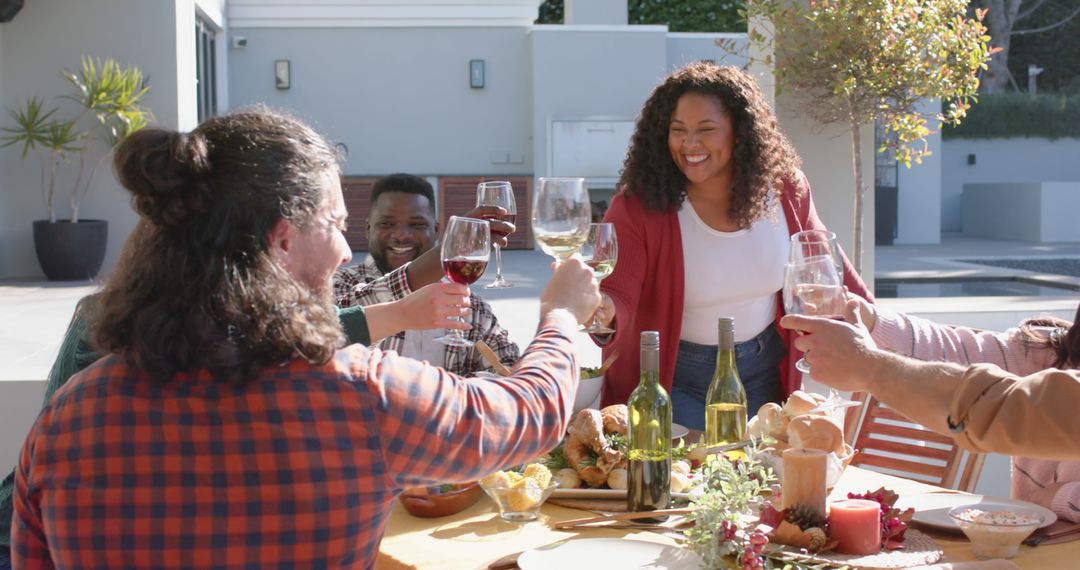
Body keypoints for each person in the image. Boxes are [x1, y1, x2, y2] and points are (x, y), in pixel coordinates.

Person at [11, 107, 600, 568]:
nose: (347, 249)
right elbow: (529, 413)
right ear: (283, 239)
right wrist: (561, 317)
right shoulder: (356, 394)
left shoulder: (68, 416)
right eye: (337, 224)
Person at [592, 62, 870, 429]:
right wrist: (598, 306)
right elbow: (616, 293)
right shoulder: (639, 206)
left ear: (740, 134)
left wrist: (874, 334)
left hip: (766, 371)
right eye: (678, 131)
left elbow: (826, 273)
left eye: (706, 130)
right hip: (675, 381)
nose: (690, 144)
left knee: (761, 481)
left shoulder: (787, 190)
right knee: (692, 481)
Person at [780, 303, 1080, 463]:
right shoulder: (1052, 353)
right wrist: (872, 321)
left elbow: (999, 410)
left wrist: (867, 365)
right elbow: (962, 352)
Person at [334, 173, 519, 375]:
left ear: (438, 231)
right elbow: (335, 328)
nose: (402, 235)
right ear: (368, 229)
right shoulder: (339, 284)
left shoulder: (470, 307)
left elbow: (509, 369)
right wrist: (451, 246)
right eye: (387, 224)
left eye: (417, 225)